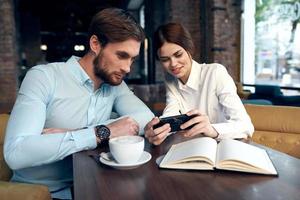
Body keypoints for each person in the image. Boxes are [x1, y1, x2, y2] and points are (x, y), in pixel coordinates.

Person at [4, 8, 154, 199]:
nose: (127, 68)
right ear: (95, 44)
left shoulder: (115, 85)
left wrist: (80, 132)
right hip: (41, 193)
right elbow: (16, 153)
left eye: (132, 59)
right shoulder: (44, 77)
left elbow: (146, 118)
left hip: (97, 185)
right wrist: (102, 133)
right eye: (121, 55)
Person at [144, 23, 254, 145]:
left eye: (178, 55)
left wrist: (212, 130)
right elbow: (172, 112)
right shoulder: (171, 80)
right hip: (194, 147)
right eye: (165, 60)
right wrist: (160, 131)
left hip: (226, 147)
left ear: (189, 50)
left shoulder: (215, 72)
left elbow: (246, 126)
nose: (173, 64)